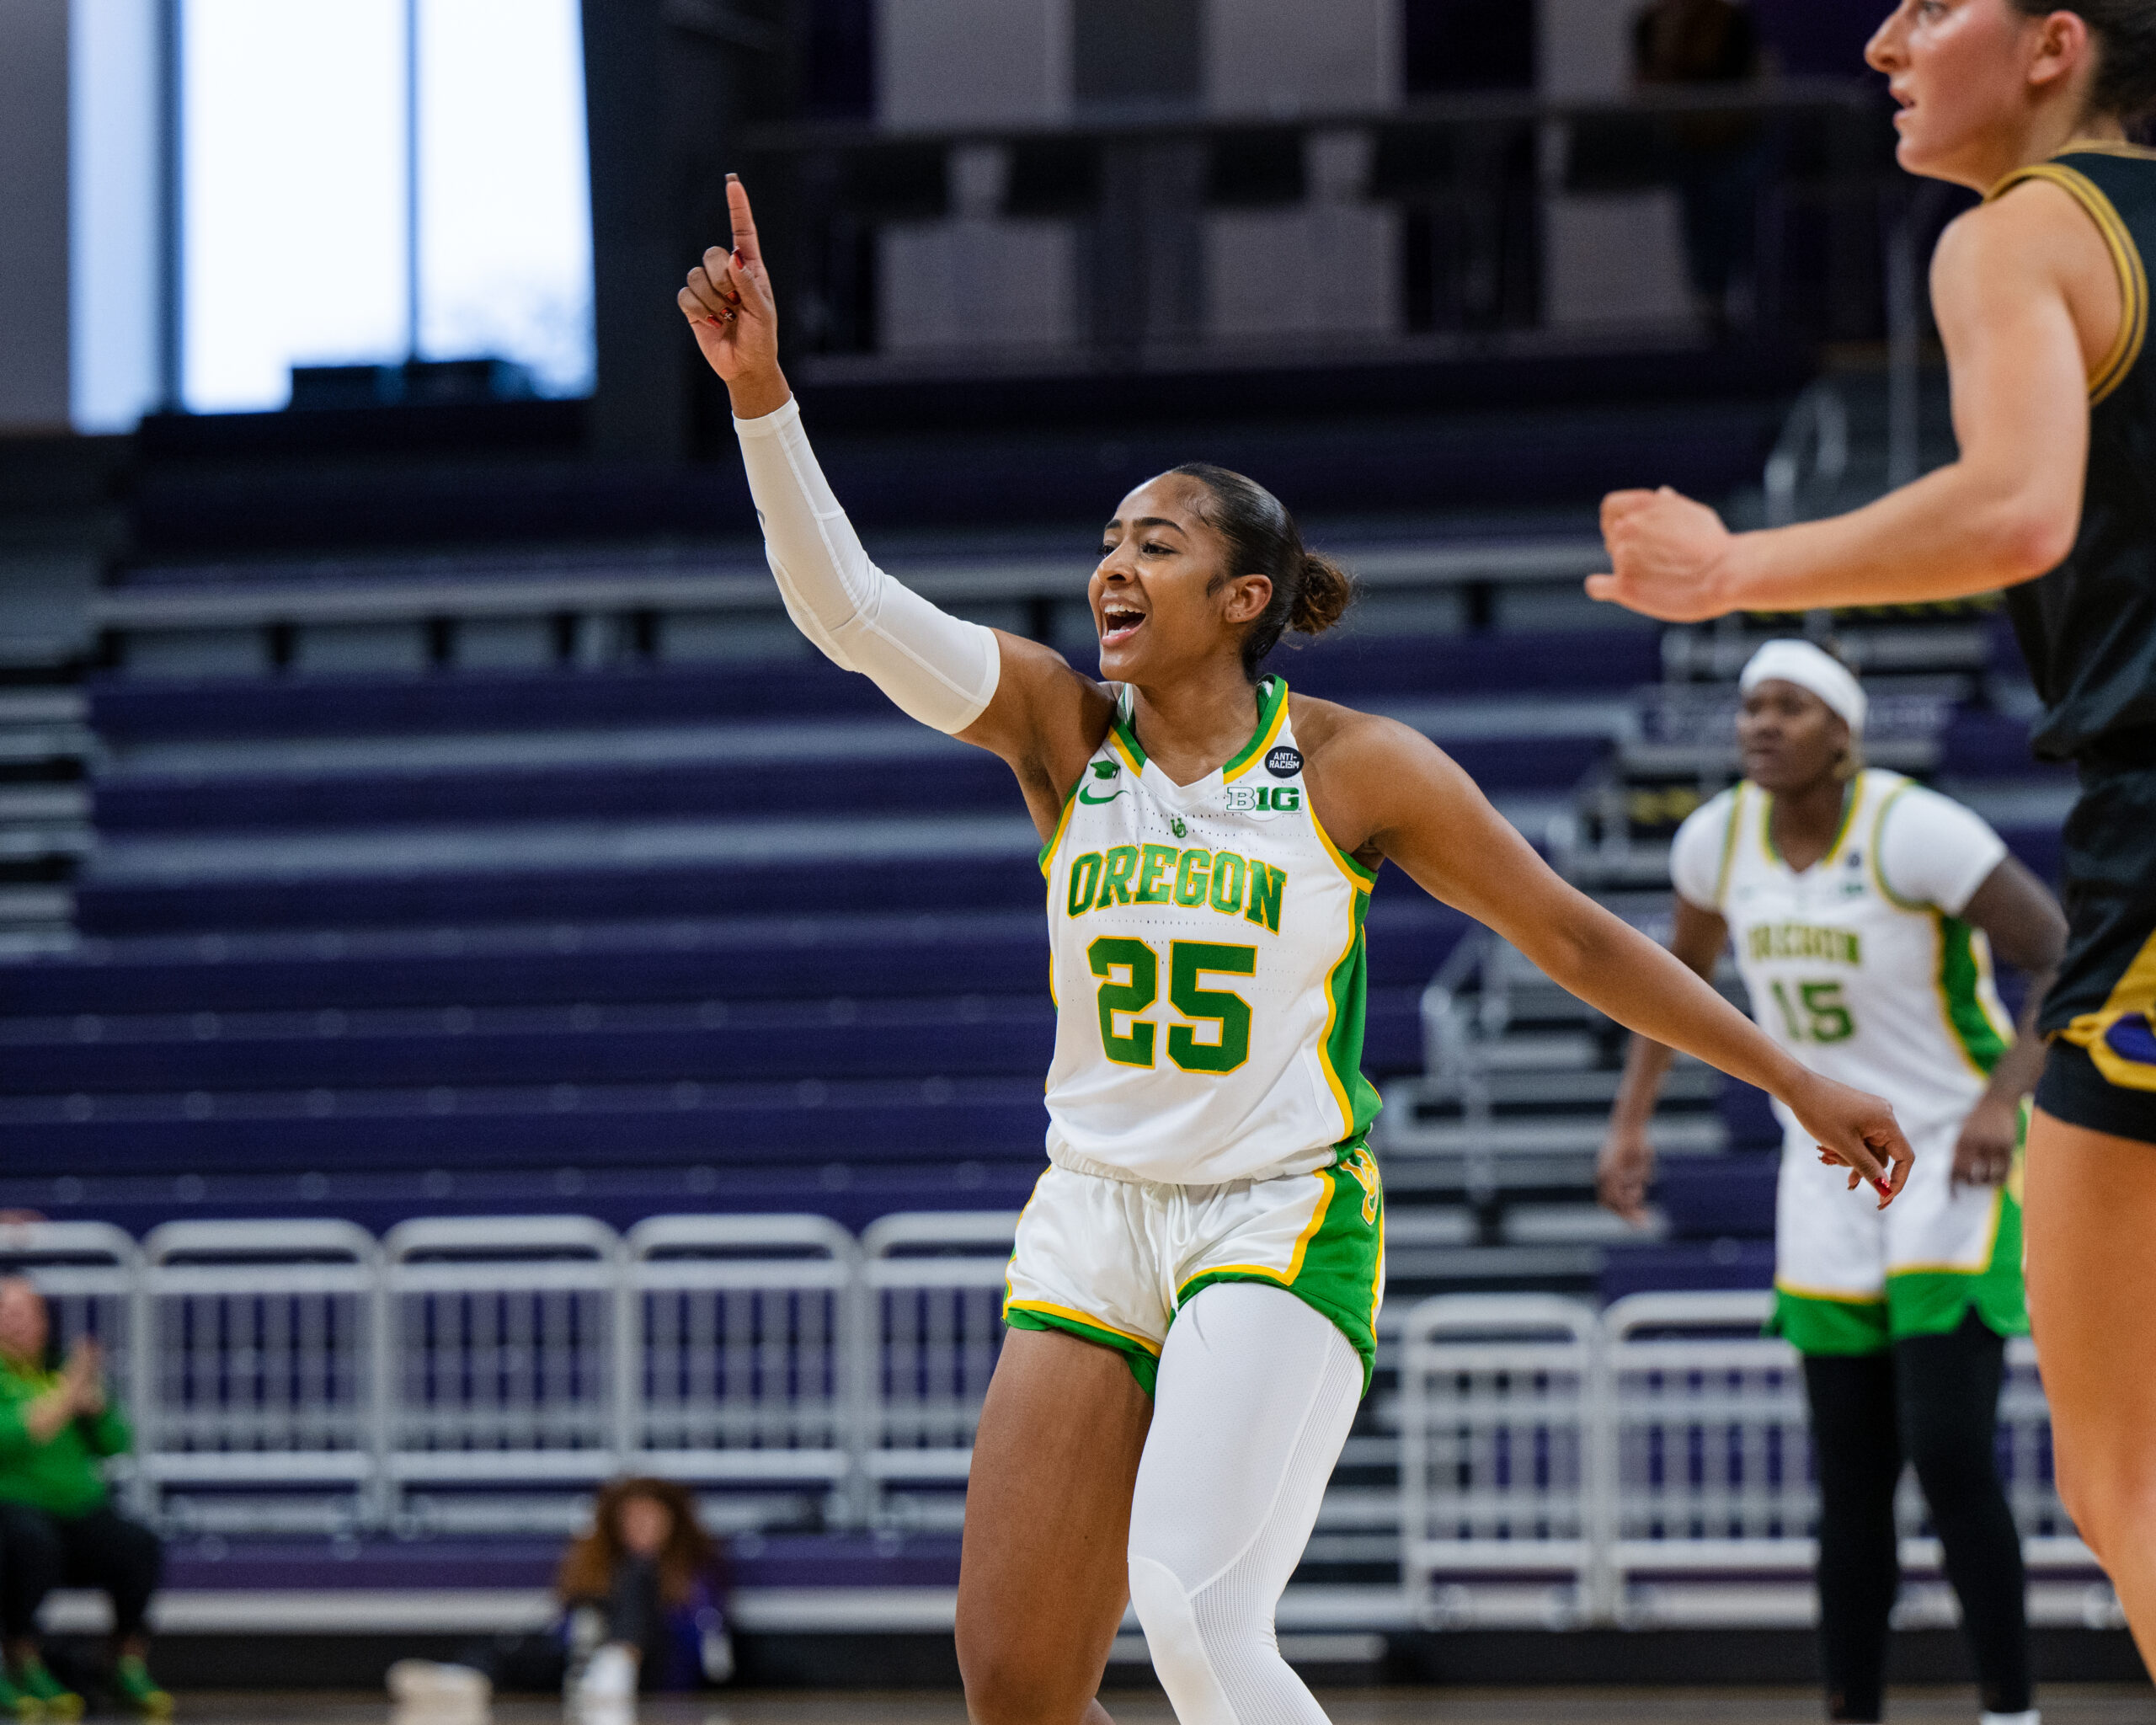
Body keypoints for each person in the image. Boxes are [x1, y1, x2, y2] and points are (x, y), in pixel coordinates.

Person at [675, 174, 1913, 1725]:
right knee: (1012, 1681)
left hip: (1278, 1207)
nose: (1114, 564)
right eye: (1110, 537)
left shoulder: (1354, 767)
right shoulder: (1060, 728)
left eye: (1160, 542)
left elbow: (1574, 935)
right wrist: (765, 398)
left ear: (1244, 595)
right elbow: (848, 610)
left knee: (1195, 1612)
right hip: (1096, 1209)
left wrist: (1791, 1076)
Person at [1586, 0, 2156, 1670]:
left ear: (2050, 45)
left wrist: (1732, 571)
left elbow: (2017, 506)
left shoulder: (2020, 235)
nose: (1881, 40)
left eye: (1926, 4)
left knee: (2117, 1464)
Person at [1598, 640, 2064, 1725]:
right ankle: (1850, 1708)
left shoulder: (1915, 827)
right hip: (1829, 1173)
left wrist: (2002, 1099)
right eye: (1751, 704)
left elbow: (2059, 953)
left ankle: (2012, 1708)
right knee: (1849, 1479)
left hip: (1956, 1151)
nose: (1760, 723)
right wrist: (1630, 1122)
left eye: (1790, 706)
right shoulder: (1717, 839)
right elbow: (1676, 987)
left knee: (1948, 1451)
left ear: (1842, 733)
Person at [387, 1477, 732, 1713]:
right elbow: (567, 1627)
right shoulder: (599, 1569)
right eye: (631, 1519)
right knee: (511, 1645)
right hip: (586, 1666)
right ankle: (464, 1679)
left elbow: (702, 1638)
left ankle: (618, 1661)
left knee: (640, 1574)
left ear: (673, 1522)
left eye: (651, 1518)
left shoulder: (694, 1569)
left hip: (660, 1670)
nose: (641, 1527)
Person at [0, 1278, 168, 1719]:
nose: (16, 1324)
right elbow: (18, 1436)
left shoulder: (59, 1374)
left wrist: (95, 1408)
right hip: (12, 1510)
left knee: (135, 1545)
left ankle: (123, 1661)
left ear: (43, 1321)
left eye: (25, 1313)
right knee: (28, 1543)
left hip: (75, 1510)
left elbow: (117, 1443)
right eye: (6, 1314)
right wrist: (67, 1392)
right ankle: (21, 1658)